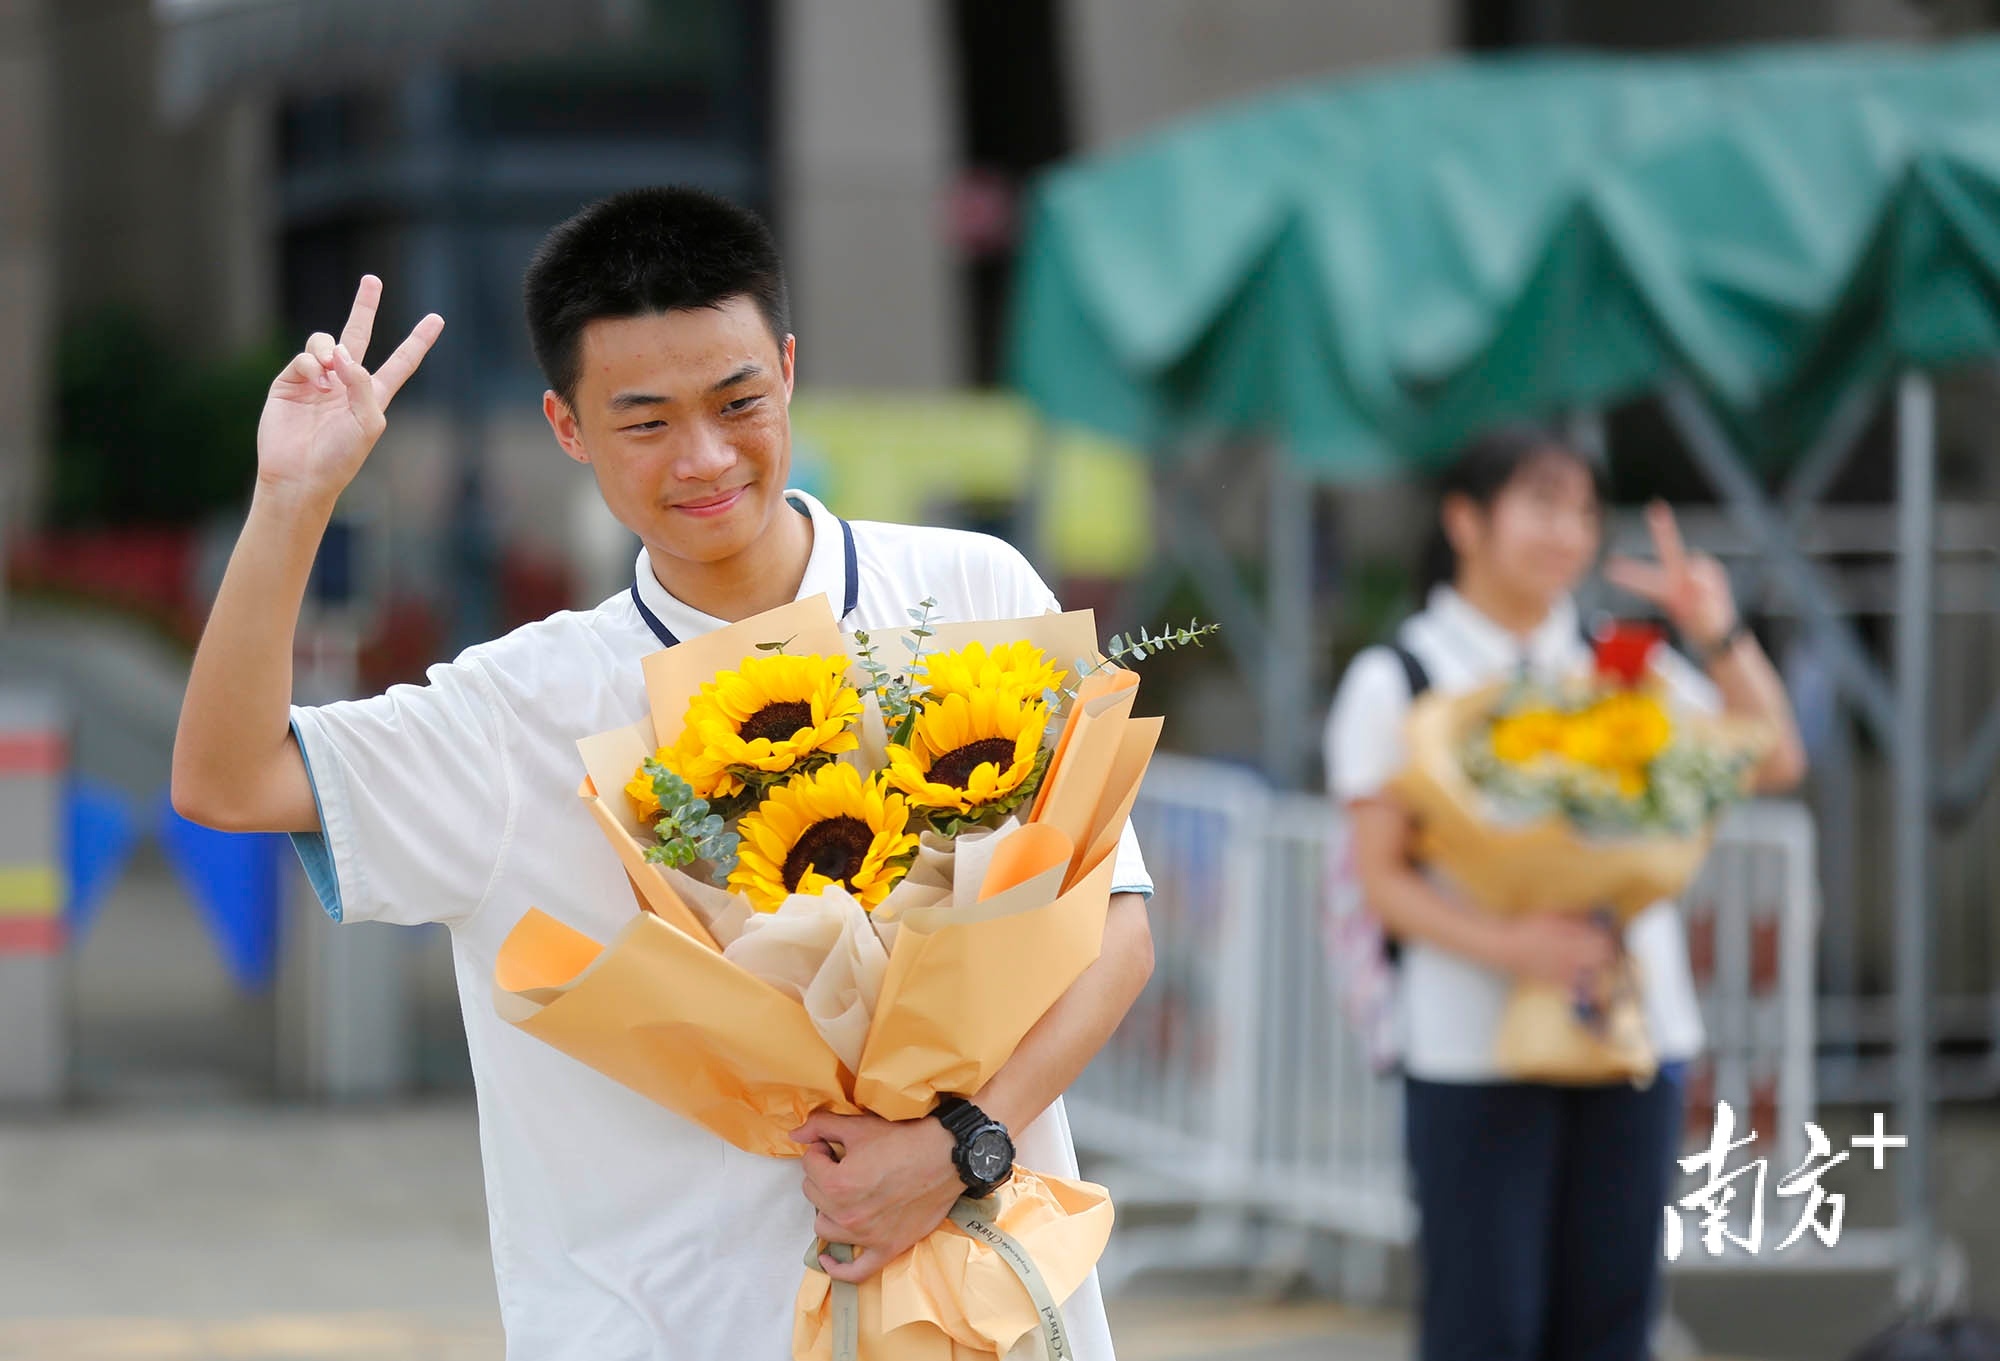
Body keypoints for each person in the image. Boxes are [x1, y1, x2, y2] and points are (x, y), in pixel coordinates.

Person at [171, 186, 1157, 1360]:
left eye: (736, 400)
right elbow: (227, 780)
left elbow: (1112, 929)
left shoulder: (970, 594)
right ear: (566, 425)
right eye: (644, 421)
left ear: (786, 369)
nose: (703, 457)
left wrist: (959, 1144)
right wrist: (294, 498)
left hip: (981, 1320)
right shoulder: (516, 709)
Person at [1322, 427, 1807, 1361]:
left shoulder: (1622, 663)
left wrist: (1716, 628)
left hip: (1632, 1033)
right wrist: (1514, 946)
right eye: (1542, 503)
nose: (1568, 531)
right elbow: (1379, 879)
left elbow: (1773, 755)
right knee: (1485, 1326)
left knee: (1613, 1323)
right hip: (1472, 1044)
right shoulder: (1400, 677)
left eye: (1584, 510)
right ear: (1465, 519)